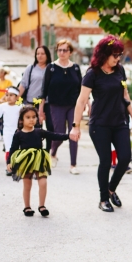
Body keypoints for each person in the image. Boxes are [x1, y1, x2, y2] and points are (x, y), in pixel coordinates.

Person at [70, 36, 132, 212]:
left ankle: (111, 189)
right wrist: (75, 125)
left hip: (120, 122)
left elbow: (125, 95)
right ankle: (103, 199)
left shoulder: (120, 71)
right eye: (115, 55)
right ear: (104, 54)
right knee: (105, 161)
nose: (118, 58)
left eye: (120, 54)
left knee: (125, 158)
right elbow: (81, 101)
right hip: (100, 124)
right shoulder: (92, 74)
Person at [8, 106, 69, 217]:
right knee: (27, 185)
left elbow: (54, 135)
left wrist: (68, 136)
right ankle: (27, 207)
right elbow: (13, 149)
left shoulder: (39, 132)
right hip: (26, 161)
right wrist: (9, 162)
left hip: (39, 160)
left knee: (43, 182)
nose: (31, 119)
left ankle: (42, 206)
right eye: (28, 117)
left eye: (34, 117)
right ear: (21, 119)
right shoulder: (18, 134)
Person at [40, 39, 82, 174]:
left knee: (74, 133)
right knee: (60, 133)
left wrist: (86, 103)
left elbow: (82, 88)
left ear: (70, 52)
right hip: (56, 105)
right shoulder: (51, 68)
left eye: (65, 50)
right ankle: (53, 153)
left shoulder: (75, 68)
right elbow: (44, 90)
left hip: (73, 106)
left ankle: (73, 165)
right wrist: (41, 109)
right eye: (60, 50)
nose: (62, 52)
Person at [21, 46, 53, 148]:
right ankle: (35, 150)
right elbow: (23, 84)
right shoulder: (30, 68)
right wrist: (15, 97)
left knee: (50, 128)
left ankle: (47, 151)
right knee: (33, 128)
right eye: (37, 53)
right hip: (32, 102)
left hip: (48, 103)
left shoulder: (52, 69)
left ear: (47, 55)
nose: (39, 56)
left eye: (42, 53)